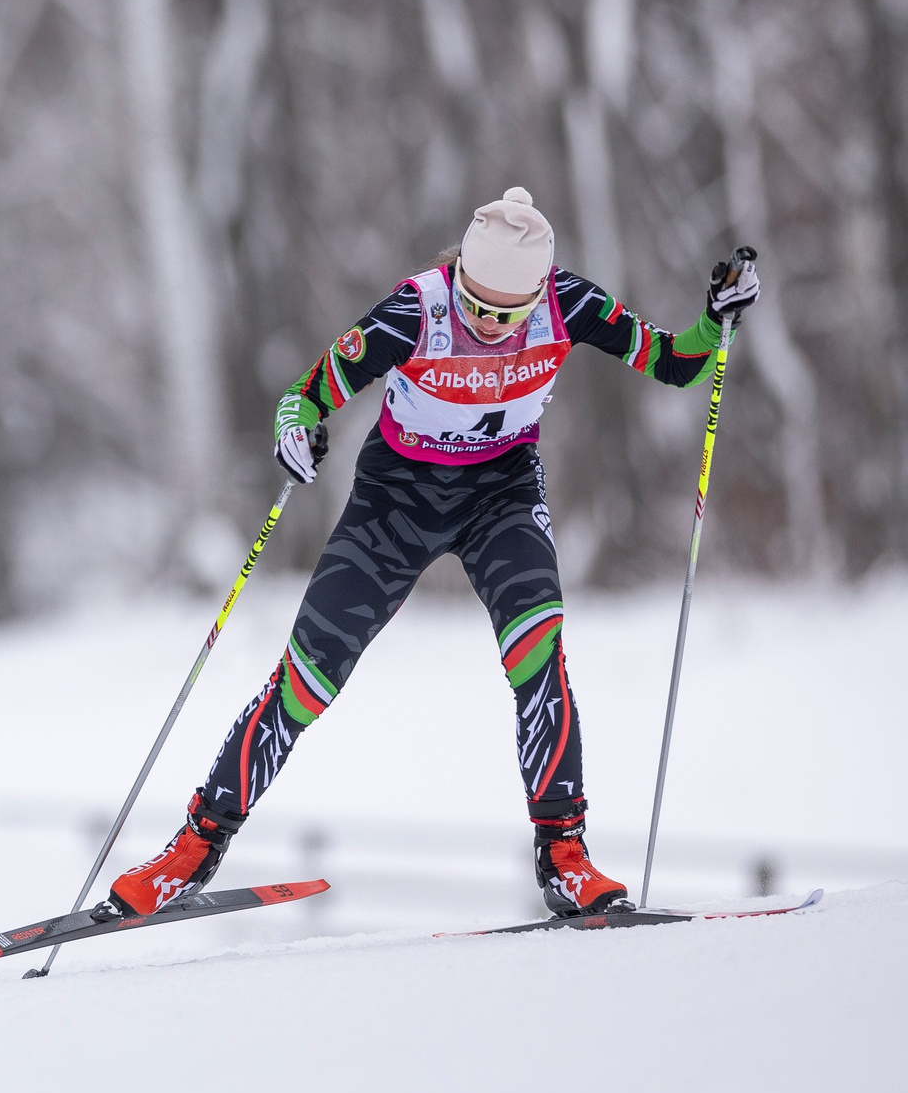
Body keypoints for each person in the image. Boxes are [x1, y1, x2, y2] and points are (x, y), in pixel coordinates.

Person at [107, 189, 762, 920]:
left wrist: (716, 318)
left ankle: (565, 856)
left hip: (501, 495)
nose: (487, 324)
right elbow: (309, 392)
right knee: (305, 682)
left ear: (538, 293)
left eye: (506, 316)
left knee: (538, 654)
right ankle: (192, 848)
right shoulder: (416, 311)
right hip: (396, 503)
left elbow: (677, 363)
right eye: (477, 305)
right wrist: (296, 428)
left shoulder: (569, 303)